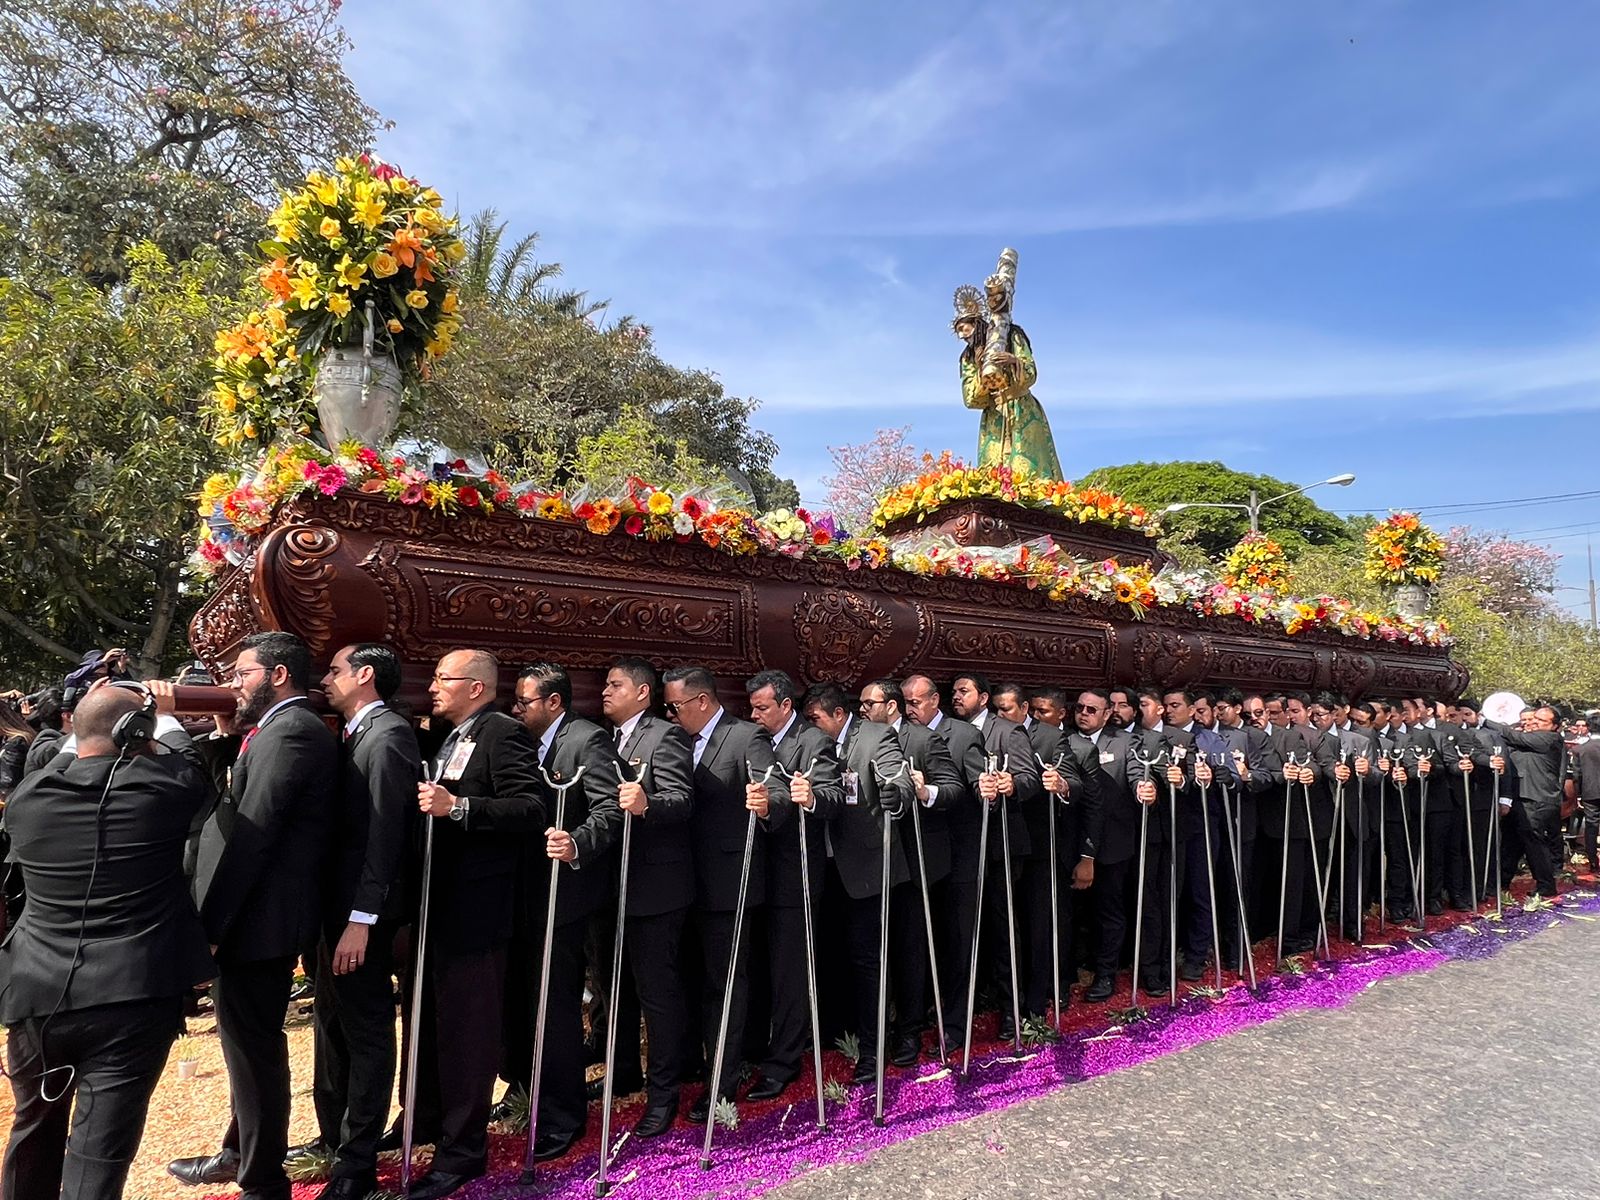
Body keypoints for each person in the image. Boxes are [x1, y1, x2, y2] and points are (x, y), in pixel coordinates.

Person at [1, 683, 215, 1200]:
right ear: (136, 733)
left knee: (31, 1132)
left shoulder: (28, 799)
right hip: (132, 996)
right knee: (98, 1153)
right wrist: (163, 718)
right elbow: (195, 775)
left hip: (36, 993)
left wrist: (102, 724)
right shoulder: (162, 792)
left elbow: (66, 758)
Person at [167, 633, 337, 1200]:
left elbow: (253, 836)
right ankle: (240, 1152)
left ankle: (262, 1178)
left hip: (258, 922)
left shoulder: (292, 732)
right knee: (245, 1048)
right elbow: (231, 796)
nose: (234, 684)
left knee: (255, 1051)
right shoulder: (270, 729)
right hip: (252, 917)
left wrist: (212, 930)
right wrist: (222, 733)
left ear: (278, 675)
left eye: (243, 674)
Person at [405, 649, 544, 1200]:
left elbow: (531, 808)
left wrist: (459, 807)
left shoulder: (502, 734)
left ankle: (464, 1150)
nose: (433, 686)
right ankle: (426, 1121)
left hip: (479, 911)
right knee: (435, 1024)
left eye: (444, 678)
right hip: (440, 906)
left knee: (468, 1034)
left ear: (477, 688)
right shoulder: (449, 736)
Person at [311, 644, 422, 1200]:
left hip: (364, 916)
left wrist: (362, 919)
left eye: (334, 670)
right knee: (333, 1026)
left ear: (365, 676)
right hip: (336, 909)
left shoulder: (388, 735)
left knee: (368, 1030)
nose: (326, 679)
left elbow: (385, 835)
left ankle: (357, 1161)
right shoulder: (356, 732)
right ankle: (334, 1138)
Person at [500, 662, 622, 1163]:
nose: (516, 709)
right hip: (527, 894)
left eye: (524, 702)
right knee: (529, 1001)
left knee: (557, 1005)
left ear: (553, 702)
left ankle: (564, 1115)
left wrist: (577, 843)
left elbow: (608, 809)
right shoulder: (525, 743)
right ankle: (527, 1089)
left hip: (567, 895)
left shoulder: (586, 740)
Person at [662, 666, 790, 1122]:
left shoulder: (744, 737)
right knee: (693, 983)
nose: (671, 715)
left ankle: (724, 1077)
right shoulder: (675, 740)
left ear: (701, 701)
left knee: (726, 986)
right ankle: (696, 1062)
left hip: (729, 881)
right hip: (681, 882)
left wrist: (768, 801)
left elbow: (775, 786)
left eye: (675, 706)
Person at [599, 657, 697, 1139]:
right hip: (612, 886)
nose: (605, 692)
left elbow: (682, 800)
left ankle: (664, 1094)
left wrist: (647, 804)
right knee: (617, 990)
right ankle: (623, 1076)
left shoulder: (666, 736)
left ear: (643, 693)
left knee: (658, 994)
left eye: (615, 685)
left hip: (657, 888)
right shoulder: (606, 738)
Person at [799, 682, 913, 1083]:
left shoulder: (875, 736)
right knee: (831, 955)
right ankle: (836, 1032)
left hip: (866, 867)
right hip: (822, 868)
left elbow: (897, 777)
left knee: (870, 961)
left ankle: (875, 1044)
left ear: (839, 715)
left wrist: (896, 795)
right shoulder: (809, 744)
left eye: (815, 719)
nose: (810, 727)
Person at [744, 669, 843, 1100]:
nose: (755, 715)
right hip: (756, 875)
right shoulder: (754, 740)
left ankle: (784, 1061)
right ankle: (755, 1047)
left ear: (786, 706)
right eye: (751, 707)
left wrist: (812, 797)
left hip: (795, 874)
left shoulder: (813, 741)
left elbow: (835, 796)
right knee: (761, 968)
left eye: (762, 707)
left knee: (789, 971)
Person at [996, 683, 1097, 1018]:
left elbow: (1076, 785)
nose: (1001, 715)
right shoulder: (991, 733)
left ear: (1023, 709)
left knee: (1043, 924)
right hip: (1004, 844)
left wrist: (1062, 785)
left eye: (1008, 709)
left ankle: (1042, 995)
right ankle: (1008, 996)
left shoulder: (1051, 738)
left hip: (1042, 847)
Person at [1074, 688, 1165, 1001]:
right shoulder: (1068, 741)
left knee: (1110, 912)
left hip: (1113, 843)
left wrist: (1147, 788)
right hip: (1073, 841)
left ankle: (1106, 976)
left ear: (1104, 715)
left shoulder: (1124, 741)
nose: (1084, 714)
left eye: (1091, 710)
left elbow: (1140, 772)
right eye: (1080, 708)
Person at [950, 252, 1063, 480]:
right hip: (994, 416)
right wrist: (984, 380)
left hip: (1022, 409)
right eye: (959, 330)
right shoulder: (967, 358)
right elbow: (970, 399)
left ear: (977, 323)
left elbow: (1031, 373)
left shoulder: (1012, 334)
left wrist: (1013, 361)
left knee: (1029, 469)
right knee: (995, 474)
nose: (963, 335)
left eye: (966, 328)